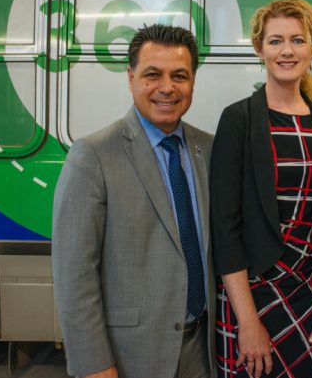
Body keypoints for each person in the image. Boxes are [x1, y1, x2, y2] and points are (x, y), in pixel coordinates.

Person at [52, 24, 214, 378]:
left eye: (180, 76)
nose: (167, 88)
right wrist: (94, 365)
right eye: (152, 75)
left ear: (193, 82)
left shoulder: (209, 149)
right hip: (131, 356)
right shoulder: (93, 155)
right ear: (130, 77)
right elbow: (74, 274)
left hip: (204, 351)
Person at [210, 0, 312, 378]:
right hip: (251, 294)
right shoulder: (238, 119)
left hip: (311, 292)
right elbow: (225, 228)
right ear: (259, 49)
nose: (287, 50)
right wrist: (248, 322)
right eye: (275, 41)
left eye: (298, 40)